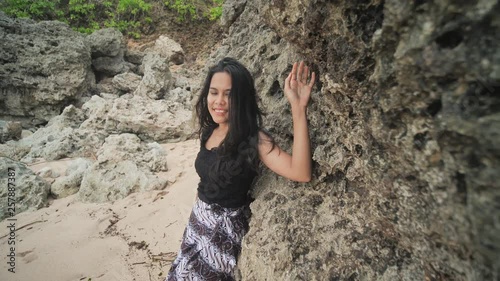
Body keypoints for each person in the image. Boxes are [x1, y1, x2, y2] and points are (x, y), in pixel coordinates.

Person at [166, 57, 315, 281]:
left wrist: (298, 107)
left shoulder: (254, 141)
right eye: (214, 92)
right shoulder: (209, 131)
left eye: (229, 94)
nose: (219, 101)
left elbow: (300, 172)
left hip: (221, 235)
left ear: (242, 98)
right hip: (197, 222)